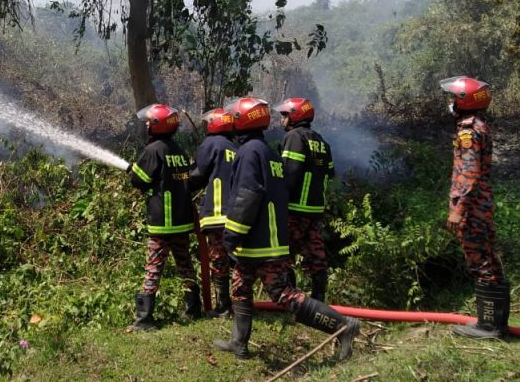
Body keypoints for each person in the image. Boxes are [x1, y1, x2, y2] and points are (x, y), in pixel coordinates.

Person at [213, 96, 360, 360]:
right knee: (241, 285)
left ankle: (343, 326)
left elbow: (247, 195)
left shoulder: (250, 152)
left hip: (259, 239)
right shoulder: (266, 151)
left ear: (243, 120)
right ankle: (238, 342)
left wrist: (232, 233)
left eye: (234, 117)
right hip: (266, 234)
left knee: (281, 292)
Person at [439, 76, 510, 339]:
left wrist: (458, 211)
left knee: (481, 263)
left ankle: (489, 326)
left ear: (464, 101)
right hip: (481, 205)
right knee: (489, 260)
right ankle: (495, 323)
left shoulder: (468, 131)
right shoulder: (479, 126)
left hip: (472, 208)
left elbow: (469, 175)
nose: (451, 102)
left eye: (454, 98)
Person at [127, 103, 201, 331]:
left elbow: (139, 180)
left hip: (162, 222)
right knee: (185, 265)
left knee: (153, 268)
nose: (146, 125)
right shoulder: (178, 151)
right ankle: (193, 309)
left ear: (157, 125)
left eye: (149, 122)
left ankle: (144, 319)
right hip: (181, 221)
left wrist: (132, 170)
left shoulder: (154, 150)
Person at [276, 97, 334, 302]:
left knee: (284, 254)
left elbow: (288, 173)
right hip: (315, 210)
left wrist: (278, 200)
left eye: (285, 115)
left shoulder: (294, 137)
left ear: (295, 116)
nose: (281, 119)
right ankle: (319, 301)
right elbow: (330, 172)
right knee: (316, 255)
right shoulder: (321, 141)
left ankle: (291, 300)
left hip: (294, 208)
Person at [188, 107, 239, 317]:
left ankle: (223, 306)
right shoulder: (236, 147)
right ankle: (241, 302)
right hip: (237, 216)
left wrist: (181, 182)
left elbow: (197, 175)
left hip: (217, 214)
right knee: (237, 258)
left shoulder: (211, 144)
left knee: (218, 259)